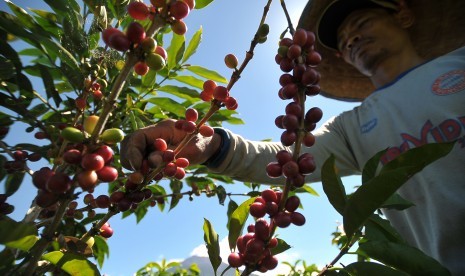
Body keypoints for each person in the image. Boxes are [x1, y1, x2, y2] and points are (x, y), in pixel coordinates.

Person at [120, 0, 465, 274]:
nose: (352, 39)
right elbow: (284, 157)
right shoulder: (353, 126)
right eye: (343, 42)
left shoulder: (459, 64)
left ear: (402, 14)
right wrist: (208, 144)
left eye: (361, 23)